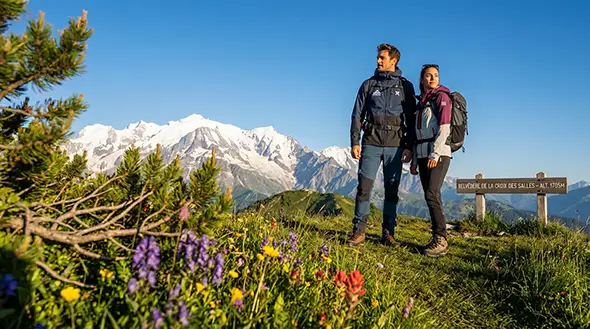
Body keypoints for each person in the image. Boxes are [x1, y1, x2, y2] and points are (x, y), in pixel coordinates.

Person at [346, 43, 417, 247]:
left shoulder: (405, 86)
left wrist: (409, 146)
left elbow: (411, 120)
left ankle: (388, 233)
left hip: (395, 146)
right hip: (371, 143)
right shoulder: (368, 84)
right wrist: (354, 141)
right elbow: (356, 114)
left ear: (393, 61)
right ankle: (359, 231)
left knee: (392, 191)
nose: (378, 61)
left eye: (382, 58)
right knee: (363, 188)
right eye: (378, 57)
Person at [409, 64, 453, 257]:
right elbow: (417, 133)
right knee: (430, 195)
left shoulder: (442, 98)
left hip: (439, 154)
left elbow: (444, 129)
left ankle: (441, 239)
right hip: (422, 154)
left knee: (432, 193)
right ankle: (437, 236)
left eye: (436, 75)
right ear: (422, 79)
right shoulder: (421, 103)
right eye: (428, 76)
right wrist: (414, 160)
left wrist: (435, 154)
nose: (433, 78)